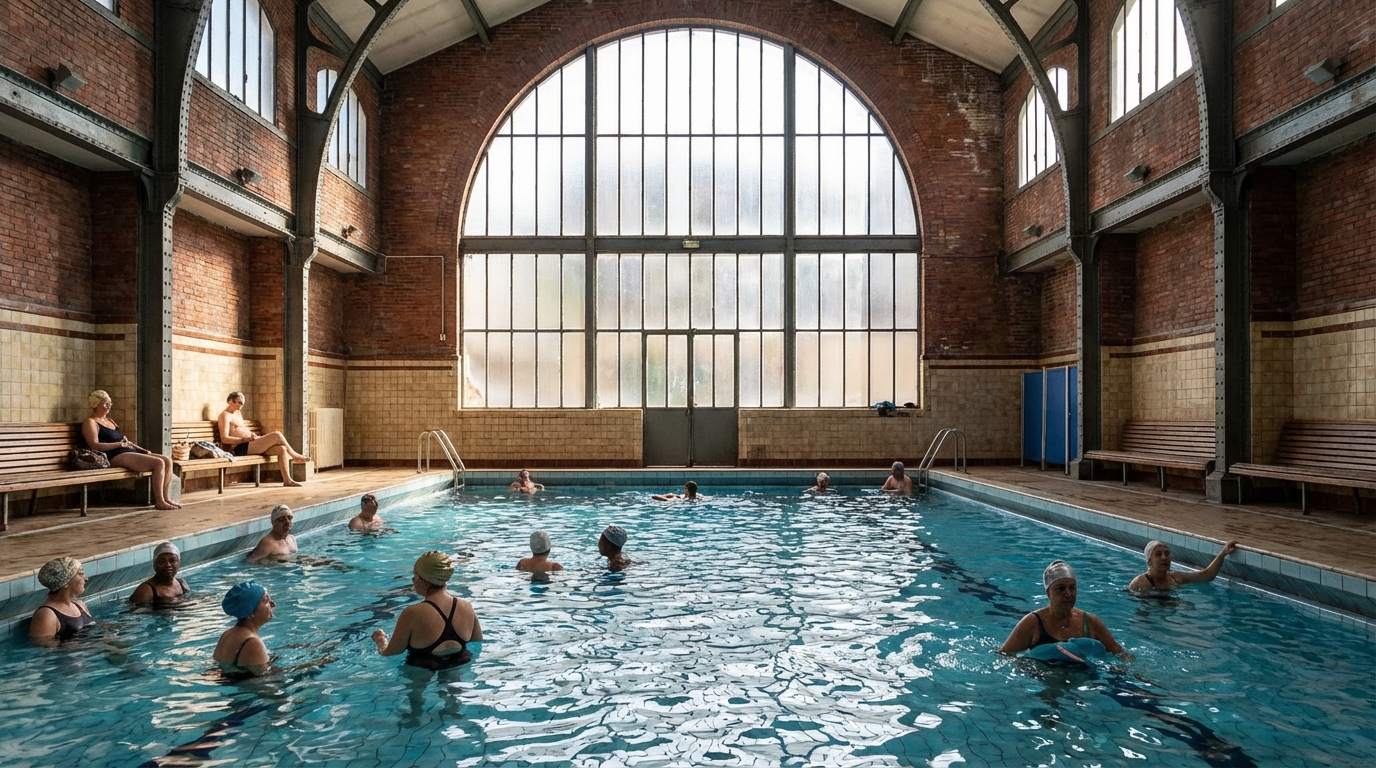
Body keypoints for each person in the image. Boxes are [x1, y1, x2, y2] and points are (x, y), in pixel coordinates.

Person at [372, 551, 483, 670]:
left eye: (415, 576)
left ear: (425, 580)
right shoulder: (466, 606)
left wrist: (380, 641)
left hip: (421, 665)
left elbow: (391, 652)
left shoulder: (412, 613)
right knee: (454, 686)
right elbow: (477, 641)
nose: (413, 580)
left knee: (416, 688)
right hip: (460, 660)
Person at [1000, 560, 1128, 657]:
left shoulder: (1090, 622)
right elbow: (1004, 655)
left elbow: (1120, 654)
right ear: (1048, 593)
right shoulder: (1032, 623)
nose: (1068, 593)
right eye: (1060, 589)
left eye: (1072, 588)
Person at [81, 390, 180, 510]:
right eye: (105, 403)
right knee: (158, 463)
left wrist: (143, 450)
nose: (109, 405)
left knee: (167, 460)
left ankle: (166, 498)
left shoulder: (110, 421)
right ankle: (159, 501)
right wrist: (117, 445)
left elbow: (126, 442)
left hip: (127, 451)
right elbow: (94, 445)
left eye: (110, 403)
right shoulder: (90, 422)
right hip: (112, 455)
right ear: (95, 404)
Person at [217, 391, 310, 487]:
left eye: (242, 404)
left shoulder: (238, 414)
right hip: (240, 447)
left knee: (282, 449)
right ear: (230, 401)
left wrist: (252, 435)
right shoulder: (224, 416)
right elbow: (224, 438)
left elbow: (242, 430)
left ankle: (287, 481)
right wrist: (243, 439)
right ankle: (295, 455)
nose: (241, 406)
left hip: (250, 444)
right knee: (277, 435)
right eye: (239, 402)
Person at [213, 581, 274, 676]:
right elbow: (265, 683)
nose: (273, 604)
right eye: (266, 601)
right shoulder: (253, 643)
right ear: (250, 612)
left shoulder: (227, 634)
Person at [1129, 539, 1239, 592]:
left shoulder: (1176, 577)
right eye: (1158, 554)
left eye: (1167, 554)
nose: (1164, 557)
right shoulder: (1140, 582)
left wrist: (1223, 553)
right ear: (1149, 561)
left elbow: (1207, 576)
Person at [29, 556, 95, 643]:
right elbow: (45, 652)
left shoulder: (80, 605)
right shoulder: (47, 615)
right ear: (66, 582)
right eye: (80, 574)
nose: (86, 579)